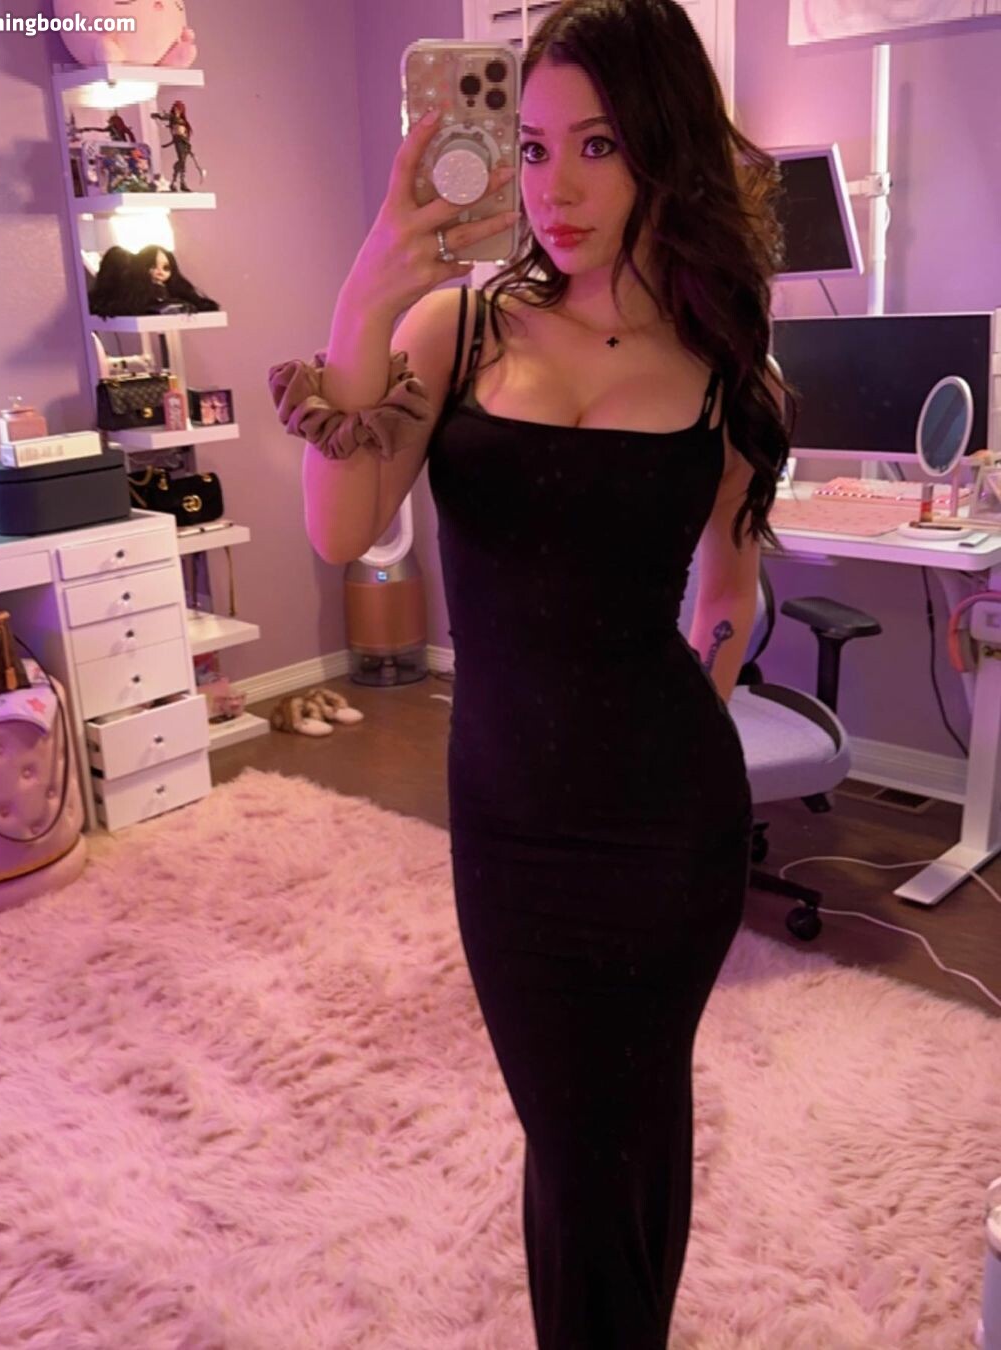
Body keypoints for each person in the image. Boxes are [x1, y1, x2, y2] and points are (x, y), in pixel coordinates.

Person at [268, 1, 795, 1345]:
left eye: (599, 146)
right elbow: (339, 529)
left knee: (628, 1124)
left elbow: (727, 596)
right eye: (537, 147)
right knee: (575, 1135)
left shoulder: (723, 367)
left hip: (670, 825)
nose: (555, 189)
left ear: (665, 148)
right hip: (511, 829)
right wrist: (368, 291)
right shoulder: (457, 332)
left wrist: (686, 732)